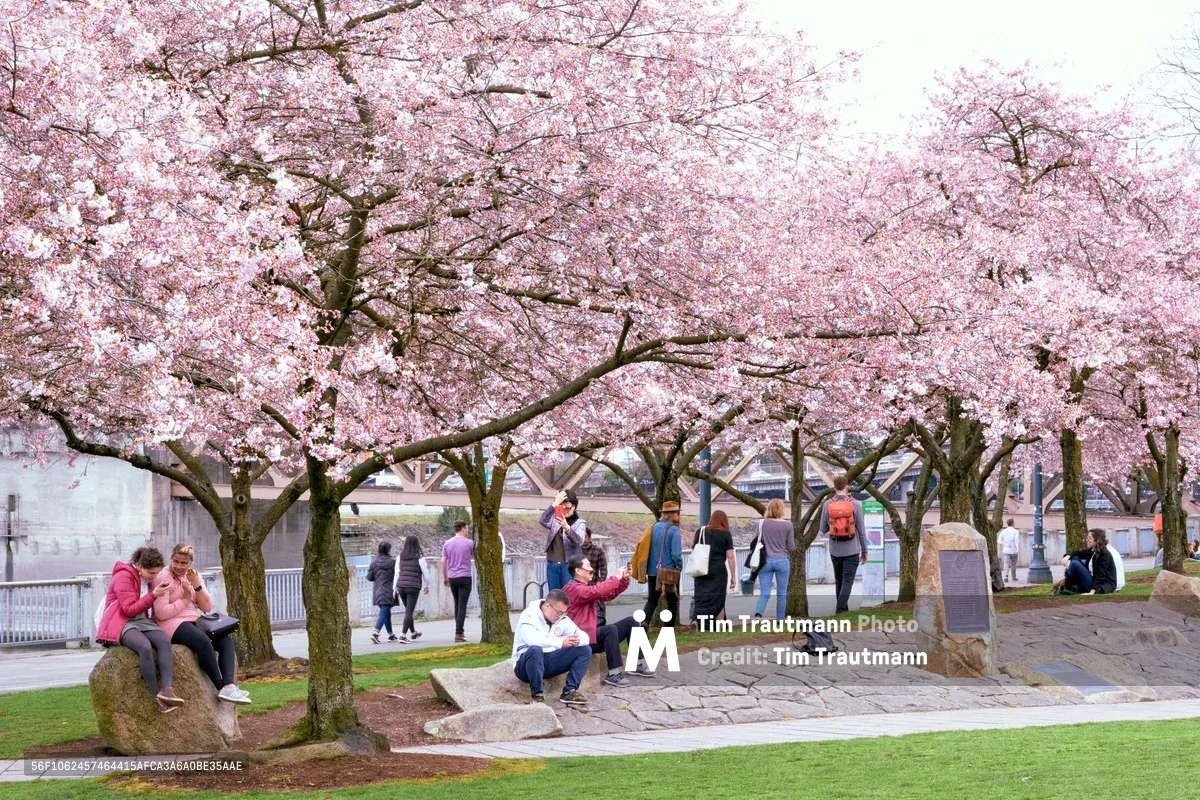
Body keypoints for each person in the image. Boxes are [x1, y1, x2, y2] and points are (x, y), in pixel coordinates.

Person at [153, 544, 251, 705]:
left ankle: (229, 685)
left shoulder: (192, 576)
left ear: (190, 562)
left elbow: (207, 607)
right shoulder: (163, 577)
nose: (178, 566)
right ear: (170, 559)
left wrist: (197, 585)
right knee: (203, 642)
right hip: (171, 624)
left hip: (195, 621)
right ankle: (221, 687)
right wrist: (185, 598)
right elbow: (161, 613)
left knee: (225, 640)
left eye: (183, 563)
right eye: (175, 561)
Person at [96, 547, 181, 714]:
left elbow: (141, 609)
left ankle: (167, 689)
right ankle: (156, 697)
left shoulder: (145, 577)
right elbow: (128, 610)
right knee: (144, 647)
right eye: (151, 573)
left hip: (140, 619)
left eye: (157, 573)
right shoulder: (123, 576)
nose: (154, 577)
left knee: (163, 641)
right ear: (140, 566)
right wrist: (154, 595)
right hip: (120, 620)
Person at [563, 555, 653, 686]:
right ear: (578, 571)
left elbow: (607, 593)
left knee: (631, 622)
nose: (592, 570)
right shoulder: (572, 589)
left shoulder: (586, 587)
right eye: (588, 567)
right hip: (583, 640)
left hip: (594, 634)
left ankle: (636, 664)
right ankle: (613, 674)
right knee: (610, 630)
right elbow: (598, 590)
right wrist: (616, 577)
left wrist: (624, 579)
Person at [511, 589, 591, 705]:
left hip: (549, 661)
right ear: (548, 606)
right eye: (559, 612)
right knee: (535, 649)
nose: (561, 616)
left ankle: (569, 692)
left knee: (585, 650)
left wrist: (576, 641)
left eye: (564, 613)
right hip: (526, 665)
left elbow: (585, 637)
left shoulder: (563, 619)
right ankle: (536, 696)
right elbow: (532, 640)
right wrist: (560, 642)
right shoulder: (529, 614)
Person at [820, 476, 867, 614]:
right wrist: (864, 551)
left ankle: (842, 611)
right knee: (847, 581)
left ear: (834, 488)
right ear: (847, 486)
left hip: (835, 549)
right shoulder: (855, 504)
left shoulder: (827, 504)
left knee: (839, 580)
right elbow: (861, 531)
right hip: (852, 549)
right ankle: (840, 609)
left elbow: (823, 529)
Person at [753, 499, 796, 621]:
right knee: (782, 594)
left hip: (765, 561)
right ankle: (780, 621)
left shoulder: (761, 523)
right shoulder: (788, 525)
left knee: (764, 592)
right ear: (781, 509)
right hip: (782, 560)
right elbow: (791, 546)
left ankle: (758, 614)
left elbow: (756, 540)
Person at [693, 510, 737, 623]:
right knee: (718, 598)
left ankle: (696, 622)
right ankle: (720, 623)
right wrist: (733, 576)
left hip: (702, 569)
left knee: (701, 596)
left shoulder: (701, 531)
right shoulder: (726, 534)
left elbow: (694, 551)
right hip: (719, 570)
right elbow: (730, 557)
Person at [643, 500, 682, 627]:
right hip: (668, 571)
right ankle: (668, 628)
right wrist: (679, 567)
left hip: (652, 570)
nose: (679, 516)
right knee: (673, 601)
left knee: (652, 600)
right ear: (671, 515)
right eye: (677, 513)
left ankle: (645, 622)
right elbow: (676, 554)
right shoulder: (674, 530)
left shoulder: (653, 527)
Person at [539, 490, 585, 591]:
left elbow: (579, 541)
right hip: (553, 563)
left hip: (569, 565)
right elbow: (542, 520)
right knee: (554, 595)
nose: (565, 510)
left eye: (568, 507)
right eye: (561, 506)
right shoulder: (555, 519)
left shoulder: (579, 523)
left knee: (569, 595)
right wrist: (555, 503)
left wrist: (567, 528)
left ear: (574, 506)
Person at [1055, 529, 1117, 595]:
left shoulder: (1104, 554)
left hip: (1100, 585)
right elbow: (1077, 553)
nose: (1086, 540)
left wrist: (1092, 592)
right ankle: (1070, 587)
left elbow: (1101, 575)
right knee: (1075, 558)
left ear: (1097, 540)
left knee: (1074, 563)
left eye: (1089, 538)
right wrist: (1067, 557)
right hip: (1092, 579)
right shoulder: (1092, 550)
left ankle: (1067, 588)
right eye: (1087, 538)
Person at [393, 536, 431, 641]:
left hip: (401, 586)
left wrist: (395, 589)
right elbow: (426, 574)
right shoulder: (420, 558)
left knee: (408, 610)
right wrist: (427, 586)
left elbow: (397, 574)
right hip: (413, 587)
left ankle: (413, 632)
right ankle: (403, 635)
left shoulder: (400, 557)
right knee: (409, 611)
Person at [442, 521, 475, 643]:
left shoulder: (447, 543)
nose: (467, 530)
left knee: (457, 604)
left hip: (452, 577)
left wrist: (445, 578)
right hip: (465, 576)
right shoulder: (470, 543)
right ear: (462, 529)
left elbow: (443, 562)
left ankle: (459, 630)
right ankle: (459, 632)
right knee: (462, 605)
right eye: (466, 528)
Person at [367, 541, 399, 644]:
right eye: (390, 549)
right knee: (384, 612)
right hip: (389, 591)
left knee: (386, 613)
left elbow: (369, 578)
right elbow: (397, 576)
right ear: (388, 550)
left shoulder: (374, 562)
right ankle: (376, 633)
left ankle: (391, 634)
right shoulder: (393, 562)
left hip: (378, 591)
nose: (391, 551)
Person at [580, 527, 609, 627]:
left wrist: (600, 582)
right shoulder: (576, 551)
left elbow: (603, 568)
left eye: (585, 536)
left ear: (589, 538)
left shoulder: (598, 551)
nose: (583, 539)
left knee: (598, 613)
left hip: (594, 586)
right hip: (580, 587)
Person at [997, 518, 1020, 583]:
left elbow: (999, 540)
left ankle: (1006, 576)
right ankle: (1013, 577)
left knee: (1006, 563)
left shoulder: (1003, 531)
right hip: (1013, 550)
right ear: (1013, 523)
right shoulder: (1016, 531)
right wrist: (1018, 549)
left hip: (1006, 550)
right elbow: (1017, 541)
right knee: (1013, 564)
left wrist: (1005, 544)